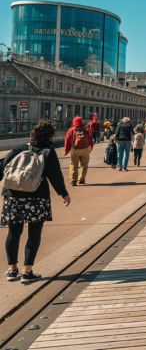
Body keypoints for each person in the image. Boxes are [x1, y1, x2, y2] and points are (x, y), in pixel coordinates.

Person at [2, 121, 71, 283]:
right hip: (36, 197)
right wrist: (63, 194)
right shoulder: (48, 152)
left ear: (33, 134)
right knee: (34, 234)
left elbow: (3, 165)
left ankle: (12, 270)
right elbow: (55, 176)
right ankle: (27, 272)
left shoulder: (20, 148)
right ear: (49, 136)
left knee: (13, 233)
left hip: (13, 196)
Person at [63, 116, 94, 186]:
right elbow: (90, 140)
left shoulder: (71, 130)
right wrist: (90, 148)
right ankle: (81, 179)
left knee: (74, 165)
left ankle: (73, 180)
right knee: (84, 165)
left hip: (75, 150)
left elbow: (67, 141)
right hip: (85, 149)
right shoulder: (86, 130)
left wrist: (66, 150)